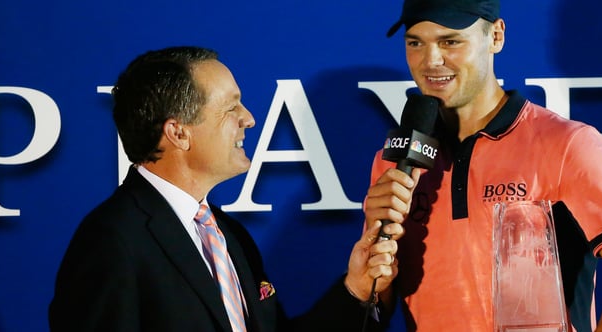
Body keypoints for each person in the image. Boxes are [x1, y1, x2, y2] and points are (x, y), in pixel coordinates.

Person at [49, 46, 416, 332]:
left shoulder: (228, 234)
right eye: (231, 108)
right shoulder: (111, 241)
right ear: (178, 132)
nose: (249, 119)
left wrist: (356, 287)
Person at [363, 0, 602, 331]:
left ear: (496, 36)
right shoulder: (395, 163)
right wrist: (370, 275)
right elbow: (377, 306)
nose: (431, 61)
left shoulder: (566, 144)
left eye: (450, 41)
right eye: (415, 43)